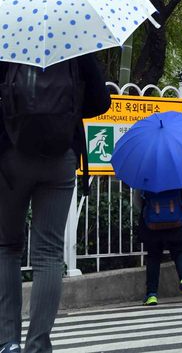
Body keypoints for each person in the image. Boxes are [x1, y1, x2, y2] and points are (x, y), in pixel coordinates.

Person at [0, 54, 111, 353]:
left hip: (11, 157)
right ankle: (38, 346)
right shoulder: (75, 44)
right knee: (48, 254)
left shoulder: (6, 39)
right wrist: (68, 109)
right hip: (60, 156)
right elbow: (102, 102)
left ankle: (7, 342)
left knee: (6, 248)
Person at [135, 184, 182, 306]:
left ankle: (151, 294)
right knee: (180, 252)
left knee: (153, 257)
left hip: (152, 224)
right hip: (176, 223)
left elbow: (138, 202)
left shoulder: (145, 175)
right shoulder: (177, 174)